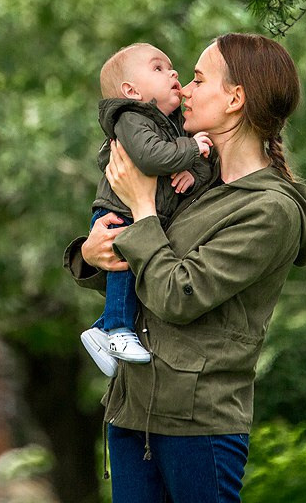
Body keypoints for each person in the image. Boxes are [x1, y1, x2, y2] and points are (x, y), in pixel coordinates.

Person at [64, 33, 306, 503]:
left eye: (199, 80)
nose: (184, 89)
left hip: (197, 425)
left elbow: (177, 295)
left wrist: (142, 208)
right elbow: (141, 271)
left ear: (235, 99)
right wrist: (91, 254)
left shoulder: (269, 210)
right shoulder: (192, 179)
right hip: (132, 414)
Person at [82, 43, 215, 377]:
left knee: (131, 273)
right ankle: (117, 330)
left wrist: (187, 163)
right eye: (159, 68)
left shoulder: (167, 123)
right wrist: (188, 149)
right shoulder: (132, 118)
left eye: (172, 67)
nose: (174, 74)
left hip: (138, 210)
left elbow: (180, 164)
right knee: (126, 269)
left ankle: (103, 328)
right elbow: (151, 157)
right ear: (132, 91)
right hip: (120, 211)